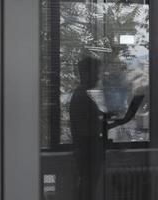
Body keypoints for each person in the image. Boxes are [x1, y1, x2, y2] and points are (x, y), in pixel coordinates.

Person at [70, 56, 105, 200]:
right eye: (96, 73)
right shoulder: (81, 97)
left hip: (87, 153)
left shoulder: (83, 95)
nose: (98, 77)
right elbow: (85, 130)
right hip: (87, 155)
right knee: (87, 190)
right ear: (86, 74)